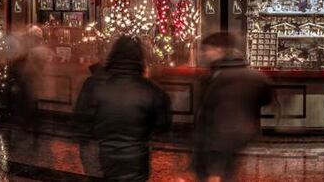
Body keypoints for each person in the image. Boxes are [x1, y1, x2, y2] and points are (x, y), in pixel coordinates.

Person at [74, 36, 171, 182]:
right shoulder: (151, 89)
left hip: (99, 154)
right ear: (140, 59)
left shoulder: (93, 84)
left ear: (113, 55)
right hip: (135, 158)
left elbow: (80, 120)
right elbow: (162, 125)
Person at [191, 32, 272, 182]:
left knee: (215, 174)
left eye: (207, 49)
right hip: (238, 135)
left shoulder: (214, 76)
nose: (203, 53)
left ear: (219, 50)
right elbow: (266, 98)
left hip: (216, 138)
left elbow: (206, 110)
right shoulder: (255, 76)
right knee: (226, 172)